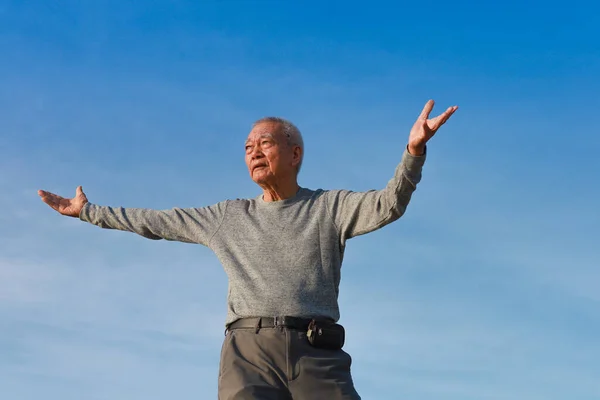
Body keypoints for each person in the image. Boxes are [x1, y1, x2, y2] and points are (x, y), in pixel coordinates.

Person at [38, 100, 458, 399]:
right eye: (247, 147)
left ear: (295, 154)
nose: (254, 151)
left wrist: (413, 152)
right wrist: (89, 212)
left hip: (317, 351)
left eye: (265, 143)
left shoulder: (329, 207)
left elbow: (388, 204)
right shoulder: (228, 216)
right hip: (248, 354)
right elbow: (156, 222)